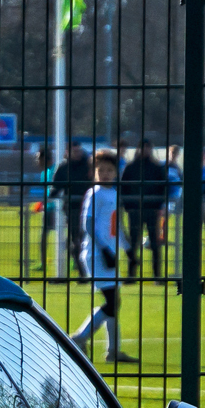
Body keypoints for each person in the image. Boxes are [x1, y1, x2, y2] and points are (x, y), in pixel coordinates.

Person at [67, 150, 135, 363]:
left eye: (109, 170)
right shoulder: (94, 193)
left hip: (111, 253)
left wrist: (128, 249)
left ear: (116, 172)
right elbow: (87, 224)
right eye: (100, 170)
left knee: (115, 302)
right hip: (97, 253)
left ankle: (113, 350)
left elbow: (117, 226)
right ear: (93, 172)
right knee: (112, 302)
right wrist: (104, 249)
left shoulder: (114, 193)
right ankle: (79, 338)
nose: (105, 174)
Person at [122, 139, 169, 278]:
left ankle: (157, 275)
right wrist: (128, 206)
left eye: (148, 147)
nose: (145, 150)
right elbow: (124, 187)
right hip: (135, 210)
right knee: (133, 243)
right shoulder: (131, 167)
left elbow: (163, 187)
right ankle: (131, 275)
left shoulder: (157, 167)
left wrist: (160, 205)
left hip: (152, 210)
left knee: (155, 243)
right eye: (143, 147)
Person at [48, 145, 93, 277]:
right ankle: (82, 272)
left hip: (90, 207)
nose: (77, 153)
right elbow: (56, 188)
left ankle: (89, 270)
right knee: (76, 241)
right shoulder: (64, 167)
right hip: (72, 209)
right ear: (68, 152)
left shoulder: (88, 165)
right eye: (74, 151)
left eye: (78, 150)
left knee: (89, 239)